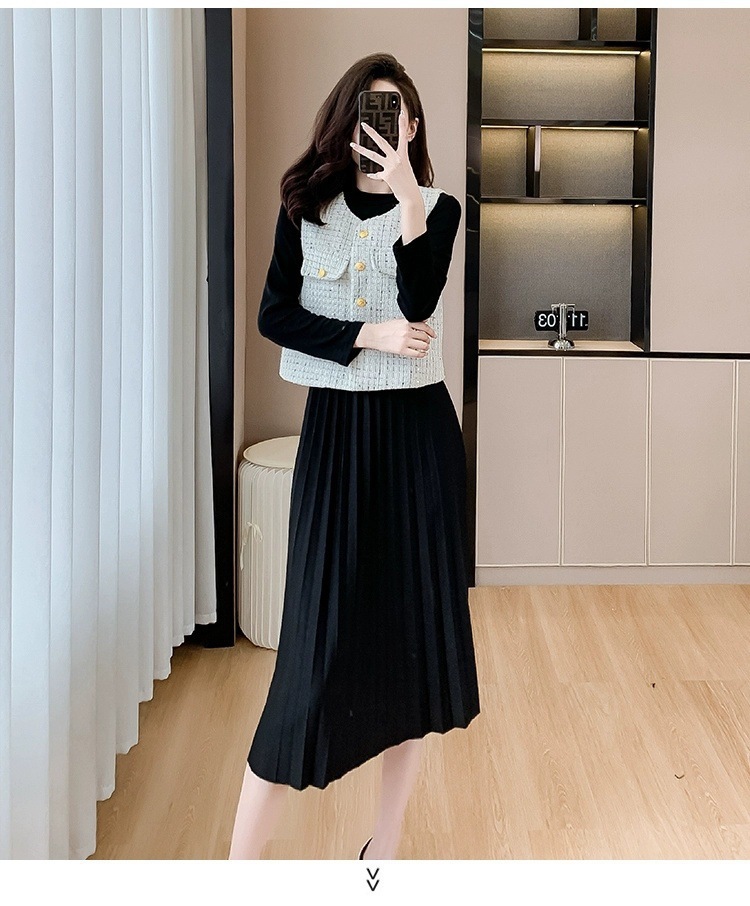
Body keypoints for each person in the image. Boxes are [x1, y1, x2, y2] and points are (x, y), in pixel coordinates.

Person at [228, 52, 481, 861]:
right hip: (337, 438)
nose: (385, 125)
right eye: (371, 111)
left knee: (412, 651)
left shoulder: (437, 210)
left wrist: (408, 195)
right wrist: (368, 335)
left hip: (417, 442)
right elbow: (275, 316)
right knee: (310, 654)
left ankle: (384, 853)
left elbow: (420, 298)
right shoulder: (304, 207)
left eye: (396, 113)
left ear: (413, 126)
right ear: (347, 122)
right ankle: (236, 871)